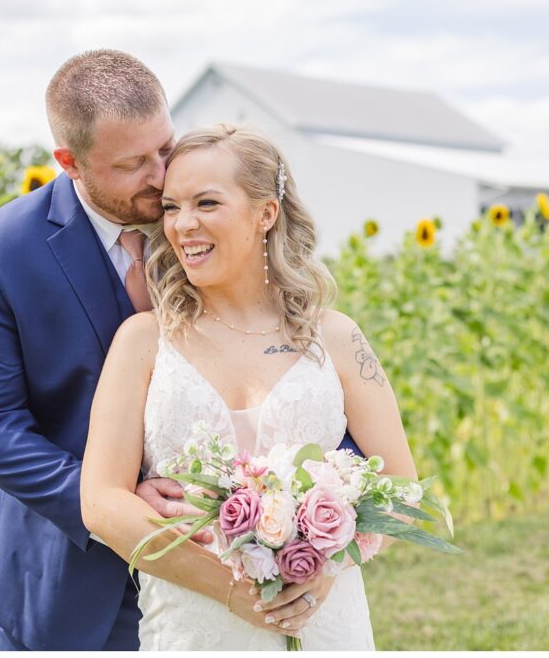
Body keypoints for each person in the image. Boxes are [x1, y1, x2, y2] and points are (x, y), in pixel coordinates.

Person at [0, 49, 363, 650]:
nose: (160, 176)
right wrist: (111, 499)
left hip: (252, 561)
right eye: (132, 163)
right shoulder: (5, 249)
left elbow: (316, 386)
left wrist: (320, 510)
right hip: (74, 578)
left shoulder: (204, 224)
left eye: (164, 149)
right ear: (70, 163)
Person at [80, 124, 418, 650]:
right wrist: (235, 591)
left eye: (207, 203)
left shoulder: (336, 336)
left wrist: (324, 565)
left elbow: (399, 486)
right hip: (193, 625)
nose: (182, 225)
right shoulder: (143, 340)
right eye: (171, 207)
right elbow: (101, 503)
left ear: (266, 213)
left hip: (325, 621)